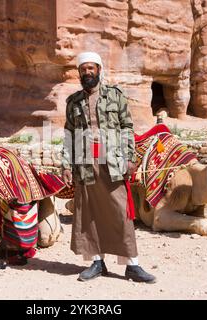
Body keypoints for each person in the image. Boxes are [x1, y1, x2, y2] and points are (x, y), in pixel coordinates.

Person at [61, 51, 156, 283]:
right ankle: (96, 262)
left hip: (112, 161)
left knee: (120, 211)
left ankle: (131, 265)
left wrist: (130, 157)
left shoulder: (115, 96)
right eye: (83, 70)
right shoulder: (73, 102)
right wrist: (65, 164)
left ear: (99, 70)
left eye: (91, 68)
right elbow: (68, 135)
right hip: (85, 163)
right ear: (79, 73)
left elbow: (126, 127)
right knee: (89, 213)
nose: (87, 73)